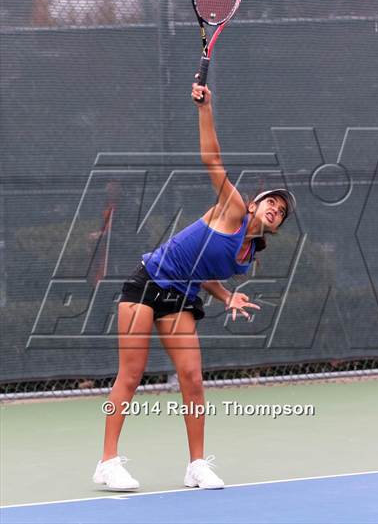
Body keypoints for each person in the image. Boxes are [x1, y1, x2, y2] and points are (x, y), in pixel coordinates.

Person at [93, 82, 296, 492]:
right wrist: (205, 108)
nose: (276, 209)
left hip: (181, 297)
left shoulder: (247, 256)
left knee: (192, 378)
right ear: (254, 205)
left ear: (277, 227)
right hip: (147, 282)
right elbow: (211, 158)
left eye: (283, 212)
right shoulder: (233, 210)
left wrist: (225, 295)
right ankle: (107, 462)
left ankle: (197, 466)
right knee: (131, 375)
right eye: (272, 201)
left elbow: (199, 268)